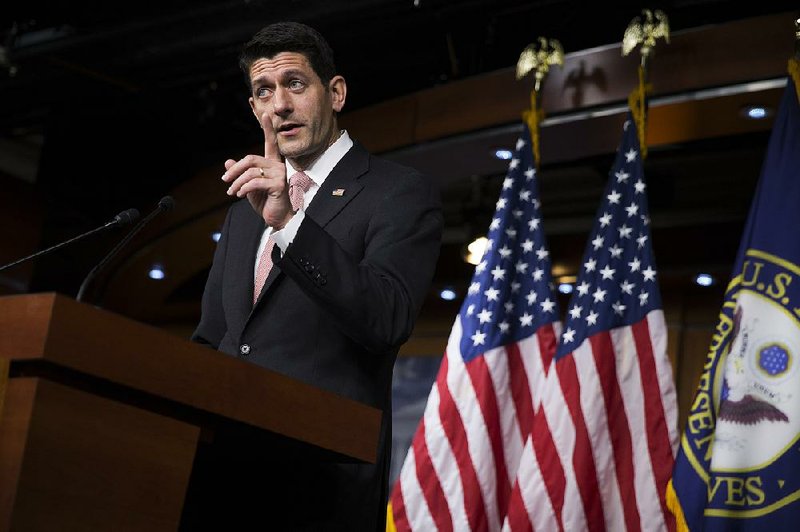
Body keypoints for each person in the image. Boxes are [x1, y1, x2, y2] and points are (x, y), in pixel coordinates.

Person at [188, 21, 443, 531]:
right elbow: (213, 339)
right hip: (223, 478)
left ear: (337, 92)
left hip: (321, 484)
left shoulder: (397, 193)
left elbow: (386, 318)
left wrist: (289, 222)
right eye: (263, 92)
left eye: (294, 84)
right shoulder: (244, 209)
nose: (279, 105)